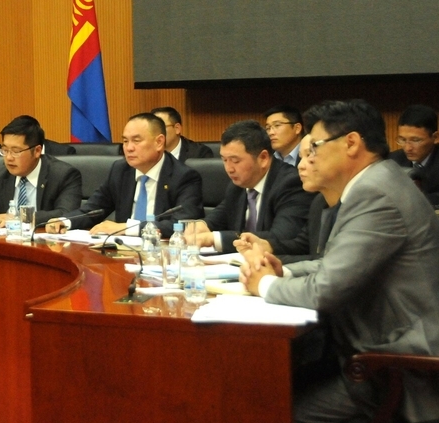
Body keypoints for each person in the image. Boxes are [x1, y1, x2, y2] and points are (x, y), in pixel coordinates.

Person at [240, 99, 439, 423]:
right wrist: (283, 271)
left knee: (270, 409)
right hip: (372, 354)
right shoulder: (377, 182)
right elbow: (332, 264)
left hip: (398, 368)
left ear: (351, 143)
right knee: (266, 389)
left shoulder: (376, 194)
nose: (309, 157)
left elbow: (324, 290)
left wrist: (264, 284)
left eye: (316, 147)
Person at [45, 112, 203, 238]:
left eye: (136, 141)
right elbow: (94, 209)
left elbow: (182, 223)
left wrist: (126, 228)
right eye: (126, 141)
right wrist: (65, 221)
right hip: (121, 251)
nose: (129, 148)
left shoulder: (184, 177)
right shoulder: (120, 170)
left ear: (159, 142)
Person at [186, 120, 313, 253]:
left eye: (235, 161)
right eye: (224, 160)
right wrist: (202, 225)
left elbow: (281, 237)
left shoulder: (291, 183)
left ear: (263, 158)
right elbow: (219, 217)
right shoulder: (238, 186)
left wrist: (215, 239)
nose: (229, 169)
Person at [235, 134, 331, 263]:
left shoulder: (353, 204)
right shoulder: (319, 202)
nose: (300, 166)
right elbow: (302, 245)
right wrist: (266, 246)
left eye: (310, 155)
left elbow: (328, 261)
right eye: (300, 158)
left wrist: (270, 261)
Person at [388, 104, 439, 205]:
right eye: (402, 140)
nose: (408, 148)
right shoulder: (391, 162)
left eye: (415, 140)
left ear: (435, 137)